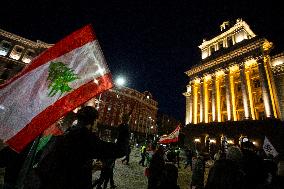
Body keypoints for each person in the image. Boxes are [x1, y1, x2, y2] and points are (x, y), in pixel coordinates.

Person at [34, 106, 129, 189]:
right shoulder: (86, 137)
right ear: (93, 121)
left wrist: (91, 167)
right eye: (97, 121)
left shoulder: (69, 132)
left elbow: (72, 164)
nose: (97, 124)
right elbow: (119, 150)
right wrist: (124, 128)